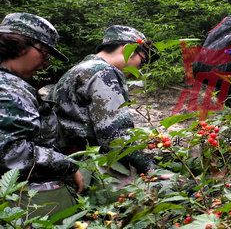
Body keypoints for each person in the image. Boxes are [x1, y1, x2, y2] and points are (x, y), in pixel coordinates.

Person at [0, 13, 84, 216]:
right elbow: (11, 152)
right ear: (19, 44)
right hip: (19, 203)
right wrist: (67, 165)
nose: (45, 63)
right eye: (44, 52)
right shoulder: (9, 89)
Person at [51, 25, 156, 175]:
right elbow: (115, 137)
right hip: (89, 166)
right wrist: (150, 168)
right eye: (143, 60)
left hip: (70, 162)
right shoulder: (103, 72)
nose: (140, 68)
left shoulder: (80, 69)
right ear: (128, 50)